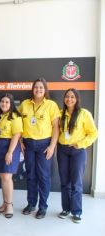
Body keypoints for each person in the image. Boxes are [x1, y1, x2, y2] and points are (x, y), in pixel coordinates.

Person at [18, 78, 60, 219]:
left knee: (43, 176)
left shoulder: (51, 105)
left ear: (45, 90)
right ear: (33, 89)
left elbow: (56, 127)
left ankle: (42, 207)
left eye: (41, 88)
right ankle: (31, 204)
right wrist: (20, 141)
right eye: (36, 87)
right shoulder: (24, 104)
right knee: (31, 175)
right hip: (28, 144)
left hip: (44, 145)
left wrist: (52, 146)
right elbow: (17, 123)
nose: (38, 90)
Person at [57, 88, 97, 223]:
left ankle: (77, 211)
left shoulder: (84, 114)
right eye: (67, 96)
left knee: (76, 182)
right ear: (64, 99)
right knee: (64, 181)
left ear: (77, 99)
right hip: (62, 150)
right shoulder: (60, 114)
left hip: (77, 151)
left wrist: (80, 144)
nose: (69, 99)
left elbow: (93, 133)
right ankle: (66, 209)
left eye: (72, 97)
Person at [0, 93, 23, 219]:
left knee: (7, 177)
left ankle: (9, 205)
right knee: (2, 177)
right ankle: (4, 203)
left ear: (11, 104)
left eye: (7, 102)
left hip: (10, 146)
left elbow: (16, 135)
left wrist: (9, 152)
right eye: (2, 101)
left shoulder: (15, 116)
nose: (4, 104)